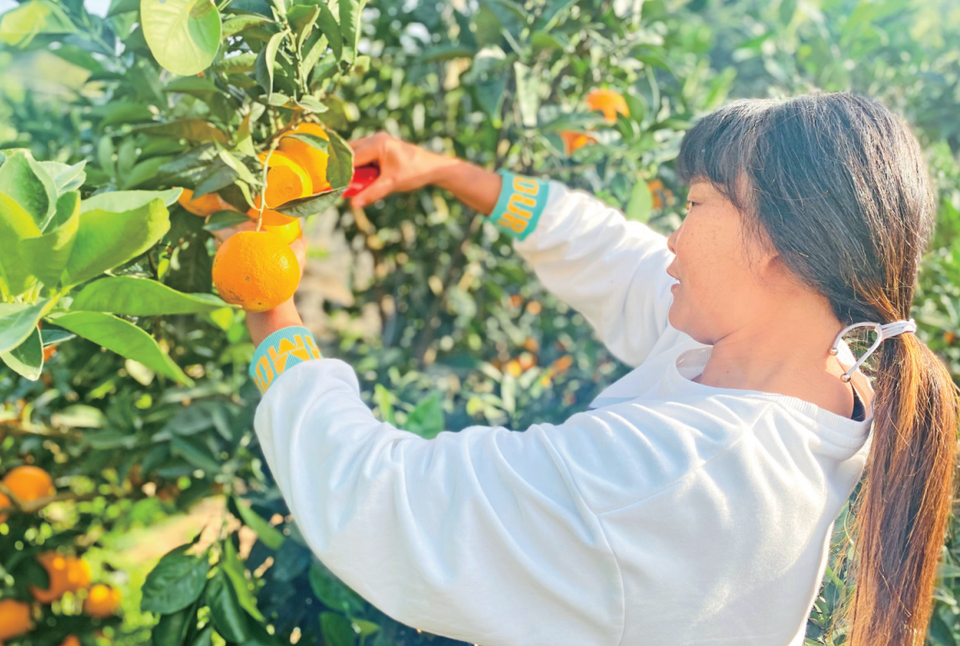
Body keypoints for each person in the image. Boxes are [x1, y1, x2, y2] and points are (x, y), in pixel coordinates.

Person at [240, 93, 959, 646]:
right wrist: (445, 172)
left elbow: (391, 499)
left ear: (781, 245)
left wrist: (268, 303)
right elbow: (612, 252)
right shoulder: (809, 371)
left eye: (696, 204)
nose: (672, 234)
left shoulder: (684, 477)